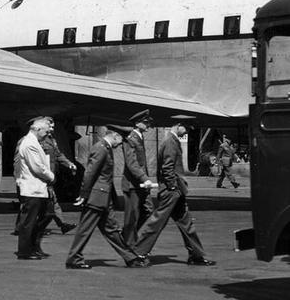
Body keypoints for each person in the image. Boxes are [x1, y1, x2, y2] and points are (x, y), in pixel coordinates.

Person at [133, 120, 216, 266]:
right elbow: (168, 167)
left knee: (186, 223)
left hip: (176, 190)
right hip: (172, 191)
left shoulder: (172, 141)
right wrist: (172, 186)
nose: (187, 132)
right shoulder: (170, 142)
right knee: (157, 222)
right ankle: (138, 252)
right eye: (186, 128)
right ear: (178, 125)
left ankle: (196, 255)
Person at [65, 125, 148, 269]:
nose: (121, 143)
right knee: (86, 229)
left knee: (111, 230)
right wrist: (84, 194)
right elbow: (90, 173)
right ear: (115, 135)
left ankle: (131, 258)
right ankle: (74, 258)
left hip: (103, 197)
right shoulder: (101, 148)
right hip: (96, 196)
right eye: (121, 139)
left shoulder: (106, 148)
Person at [14, 116, 54, 259]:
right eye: (46, 131)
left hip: (38, 189)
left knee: (46, 215)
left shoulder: (35, 142)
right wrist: (51, 176)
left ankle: (33, 247)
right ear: (37, 129)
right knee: (28, 222)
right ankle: (25, 251)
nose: (48, 134)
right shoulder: (30, 143)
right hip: (32, 189)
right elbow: (37, 167)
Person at [121, 109, 155, 248]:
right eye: (145, 123)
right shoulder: (130, 139)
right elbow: (131, 163)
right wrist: (144, 177)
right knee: (132, 217)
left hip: (141, 184)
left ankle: (129, 237)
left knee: (148, 210)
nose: (148, 125)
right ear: (137, 123)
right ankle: (129, 243)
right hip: (132, 184)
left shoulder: (139, 137)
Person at [40, 117, 78, 235]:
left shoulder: (52, 140)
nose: (52, 129)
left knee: (52, 201)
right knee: (40, 204)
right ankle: (28, 227)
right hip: (41, 177)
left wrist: (69, 164)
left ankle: (62, 225)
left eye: (53, 127)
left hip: (50, 176)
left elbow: (58, 154)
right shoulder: (37, 140)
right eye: (50, 127)